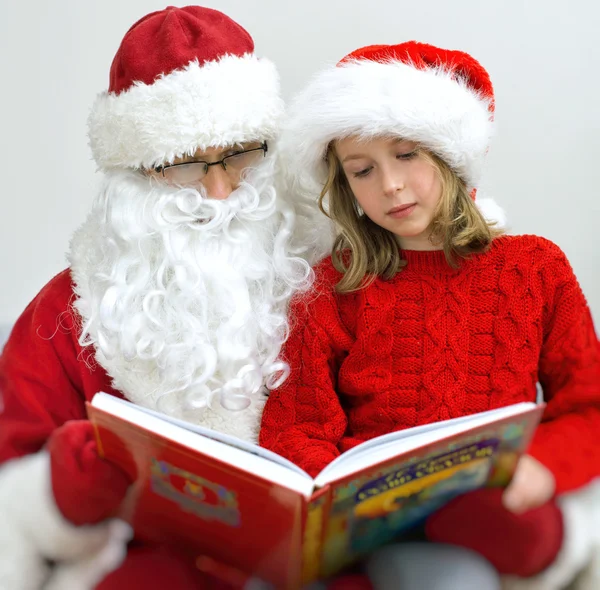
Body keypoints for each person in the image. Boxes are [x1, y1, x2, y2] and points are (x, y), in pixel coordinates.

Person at [260, 41, 600, 589]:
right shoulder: (333, 284)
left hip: (488, 507)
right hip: (370, 520)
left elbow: (589, 403)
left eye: (407, 155)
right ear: (344, 186)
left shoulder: (534, 268)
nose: (390, 185)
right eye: (362, 170)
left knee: (510, 536)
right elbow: (298, 425)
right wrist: (325, 491)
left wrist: (544, 465)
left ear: (449, 155)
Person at [0, 6, 316, 590]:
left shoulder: (322, 276)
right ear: (133, 175)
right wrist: (65, 486)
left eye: (241, 154)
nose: (220, 192)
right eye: (186, 166)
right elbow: (12, 489)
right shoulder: (61, 316)